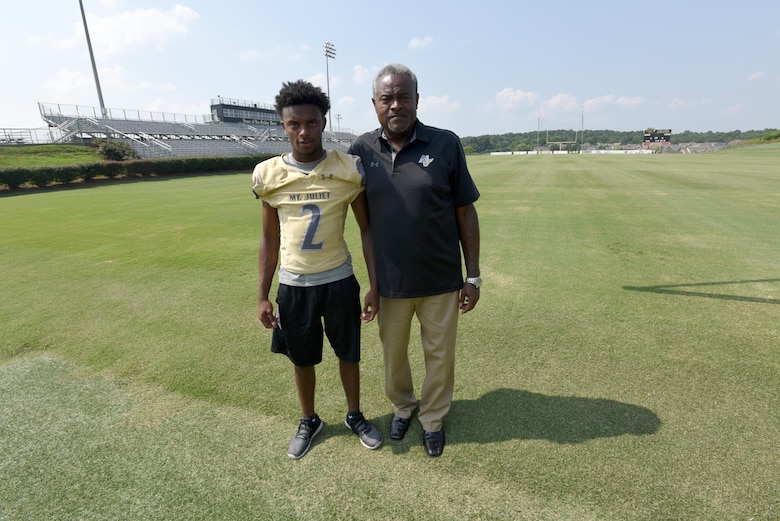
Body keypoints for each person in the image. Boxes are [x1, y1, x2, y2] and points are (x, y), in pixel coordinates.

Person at [348, 64, 481, 457]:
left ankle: (433, 418)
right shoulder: (360, 151)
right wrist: (372, 283)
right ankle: (403, 407)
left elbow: (465, 212)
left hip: (441, 279)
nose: (395, 105)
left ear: (417, 100)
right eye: (387, 98)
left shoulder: (445, 144)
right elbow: (364, 227)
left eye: (403, 96)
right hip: (389, 283)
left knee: (440, 356)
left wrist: (472, 276)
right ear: (374, 104)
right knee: (393, 356)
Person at [252, 80, 382, 459]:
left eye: (311, 123)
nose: (303, 131)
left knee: (349, 354)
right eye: (294, 124)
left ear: (323, 122)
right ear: (283, 126)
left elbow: (367, 229)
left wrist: (373, 284)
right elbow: (269, 240)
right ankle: (309, 419)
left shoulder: (347, 168)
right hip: (294, 284)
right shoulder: (268, 175)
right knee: (302, 357)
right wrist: (262, 294)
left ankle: (354, 415)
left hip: (339, 279)